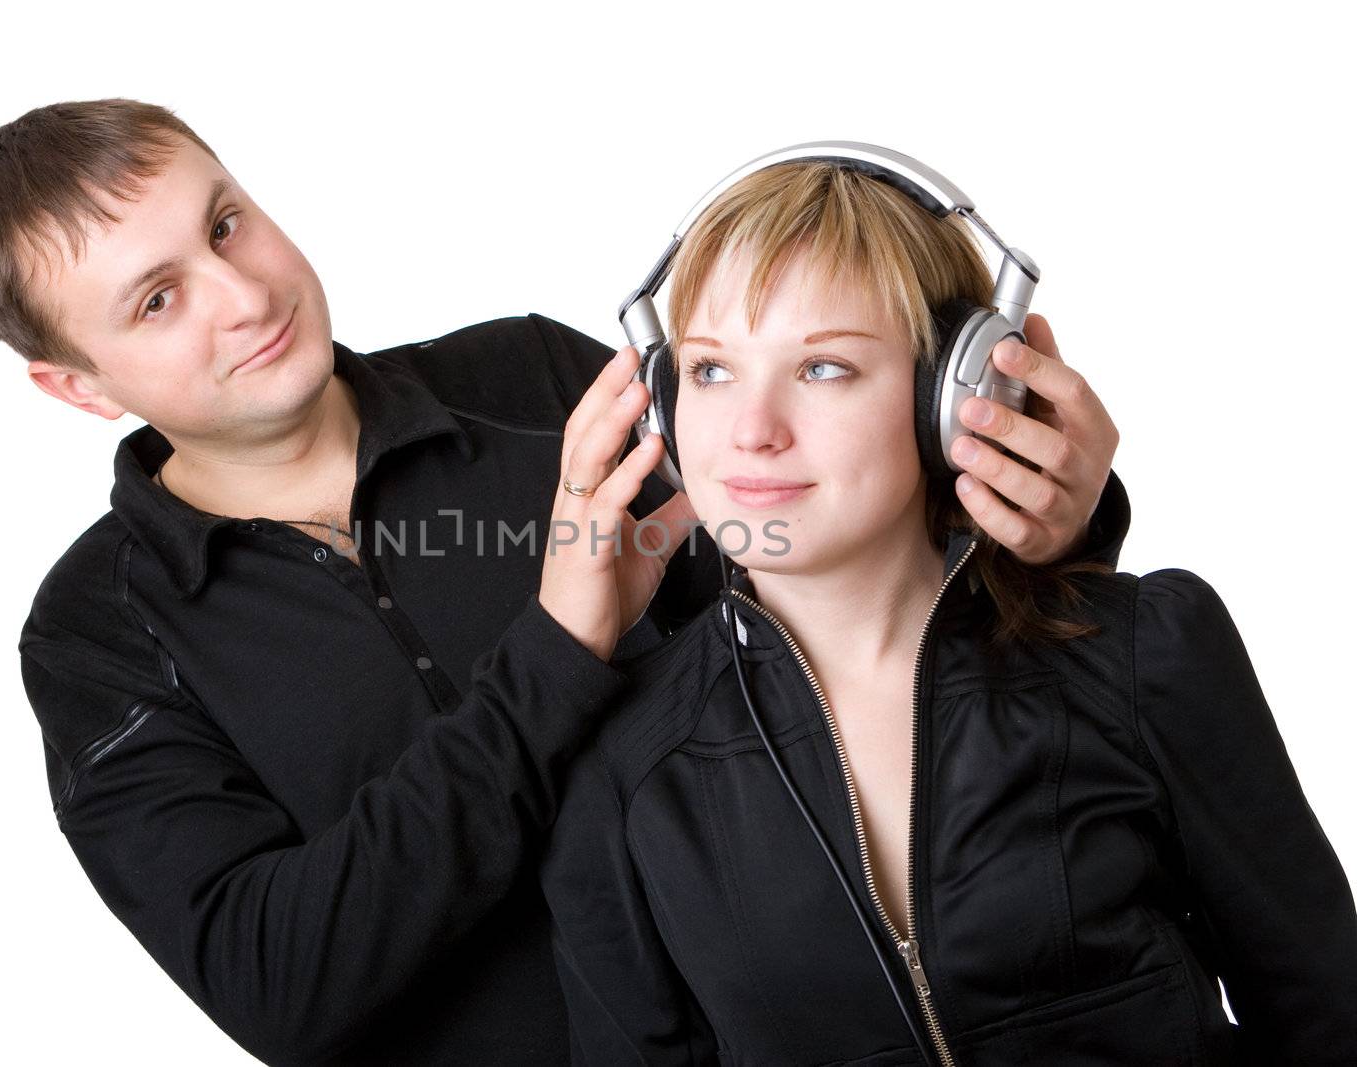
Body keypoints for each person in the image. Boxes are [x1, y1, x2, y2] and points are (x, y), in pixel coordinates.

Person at [0, 101, 1125, 1065]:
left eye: (226, 223)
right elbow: (281, 983)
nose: (243, 293)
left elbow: (861, 614)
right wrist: (561, 644)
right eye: (158, 299)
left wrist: (1038, 523)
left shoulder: (537, 378)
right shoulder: (96, 635)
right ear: (79, 386)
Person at [539, 159, 1357, 1065]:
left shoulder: (1146, 651)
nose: (751, 429)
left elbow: (1327, 1017)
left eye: (823, 366)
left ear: (961, 397)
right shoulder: (621, 770)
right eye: (710, 369)